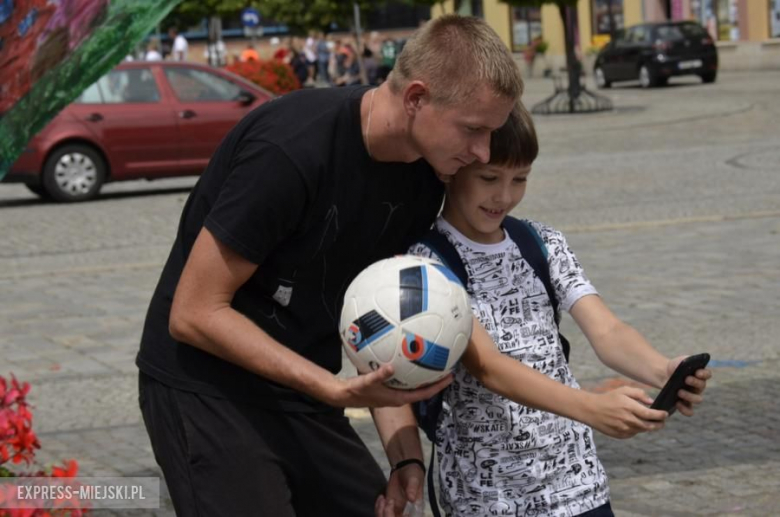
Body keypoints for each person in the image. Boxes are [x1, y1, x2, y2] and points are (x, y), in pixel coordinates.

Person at [136, 15, 523, 517]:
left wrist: (405, 457)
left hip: (302, 386)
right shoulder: (292, 149)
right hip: (205, 388)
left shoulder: (425, 178)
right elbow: (193, 313)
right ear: (416, 99)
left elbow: (382, 325)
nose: (482, 152)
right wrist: (331, 389)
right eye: (473, 129)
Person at [406, 104, 711, 516]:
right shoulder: (428, 262)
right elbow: (488, 366)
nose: (504, 196)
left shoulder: (542, 242)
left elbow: (606, 331)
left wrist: (663, 370)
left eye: (520, 179)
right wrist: (591, 408)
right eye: (489, 178)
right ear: (451, 169)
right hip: (488, 498)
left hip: (576, 483)